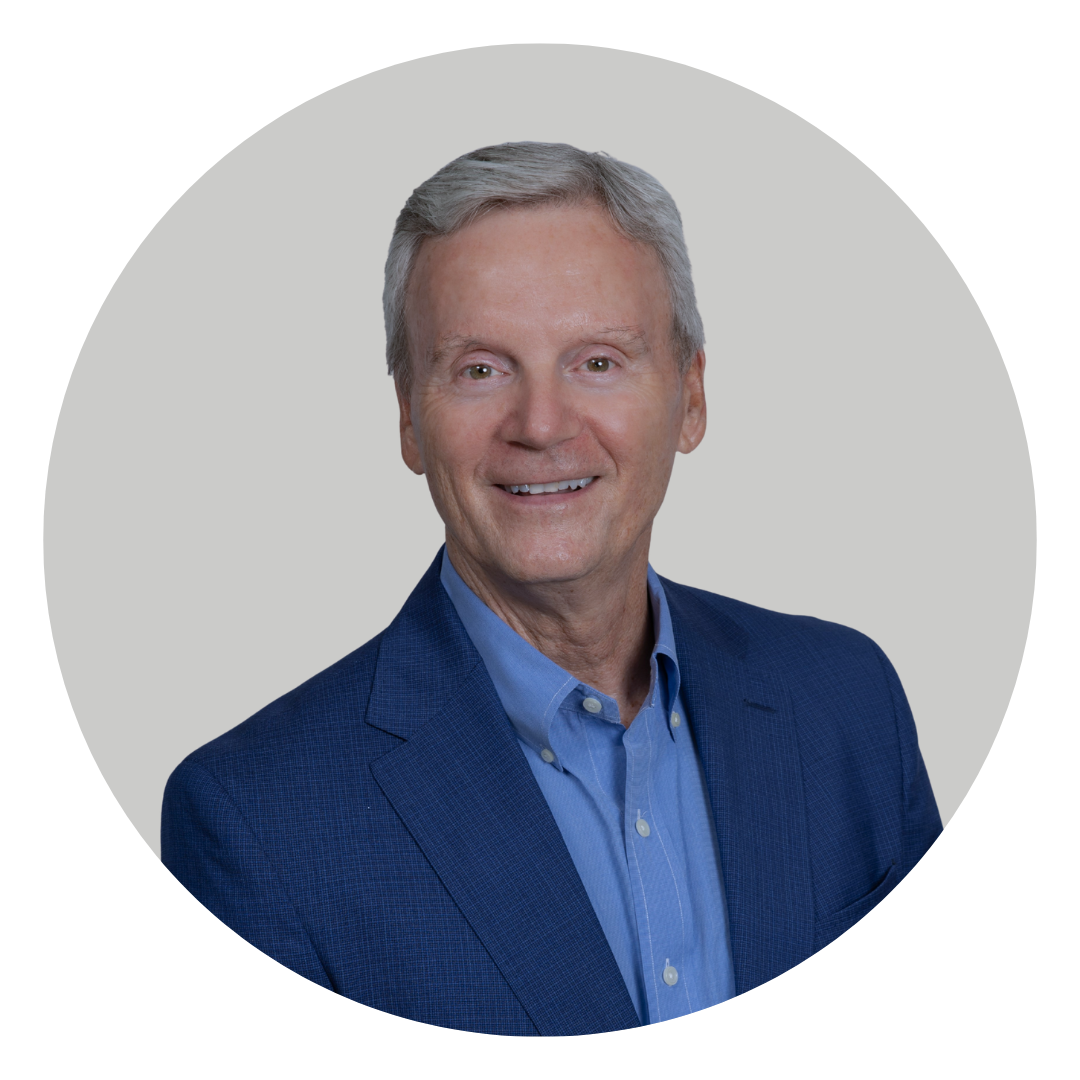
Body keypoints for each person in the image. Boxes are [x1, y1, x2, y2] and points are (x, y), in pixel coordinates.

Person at [162, 142, 941, 1035]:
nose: (540, 425)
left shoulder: (846, 699)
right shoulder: (256, 820)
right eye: (481, 369)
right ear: (409, 417)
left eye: (598, 362)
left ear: (689, 396)